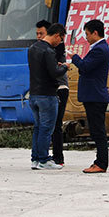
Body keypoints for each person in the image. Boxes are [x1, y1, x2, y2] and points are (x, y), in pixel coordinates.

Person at [71, 19, 109, 173]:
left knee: (98, 131)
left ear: (95, 33)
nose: (86, 37)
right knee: (96, 130)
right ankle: (99, 161)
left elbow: (85, 67)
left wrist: (75, 57)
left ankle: (101, 163)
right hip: (93, 95)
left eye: (87, 34)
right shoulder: (97, 48)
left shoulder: (99, 49)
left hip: (95, 96)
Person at [27, 23, 67, 170]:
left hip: (34, 94)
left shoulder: (32, 48)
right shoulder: (49, 51)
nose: (60, 43)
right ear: (57, 35)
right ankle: (44, 159)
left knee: (38, 127)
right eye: (61, 39)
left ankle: (35, 159)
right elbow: (55, 72)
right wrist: (64, 67)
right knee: (46, 128)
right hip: (47, 95)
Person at [38, 20, 69, 167]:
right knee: (43, 125)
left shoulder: (54, 48)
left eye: (41, 34)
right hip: (47, 90)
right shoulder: (40, 48)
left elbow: (55, 70)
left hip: (60, 88)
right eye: (37, 34)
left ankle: (58, 157)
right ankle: (40, 156)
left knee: (55, 124)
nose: (39, 37)